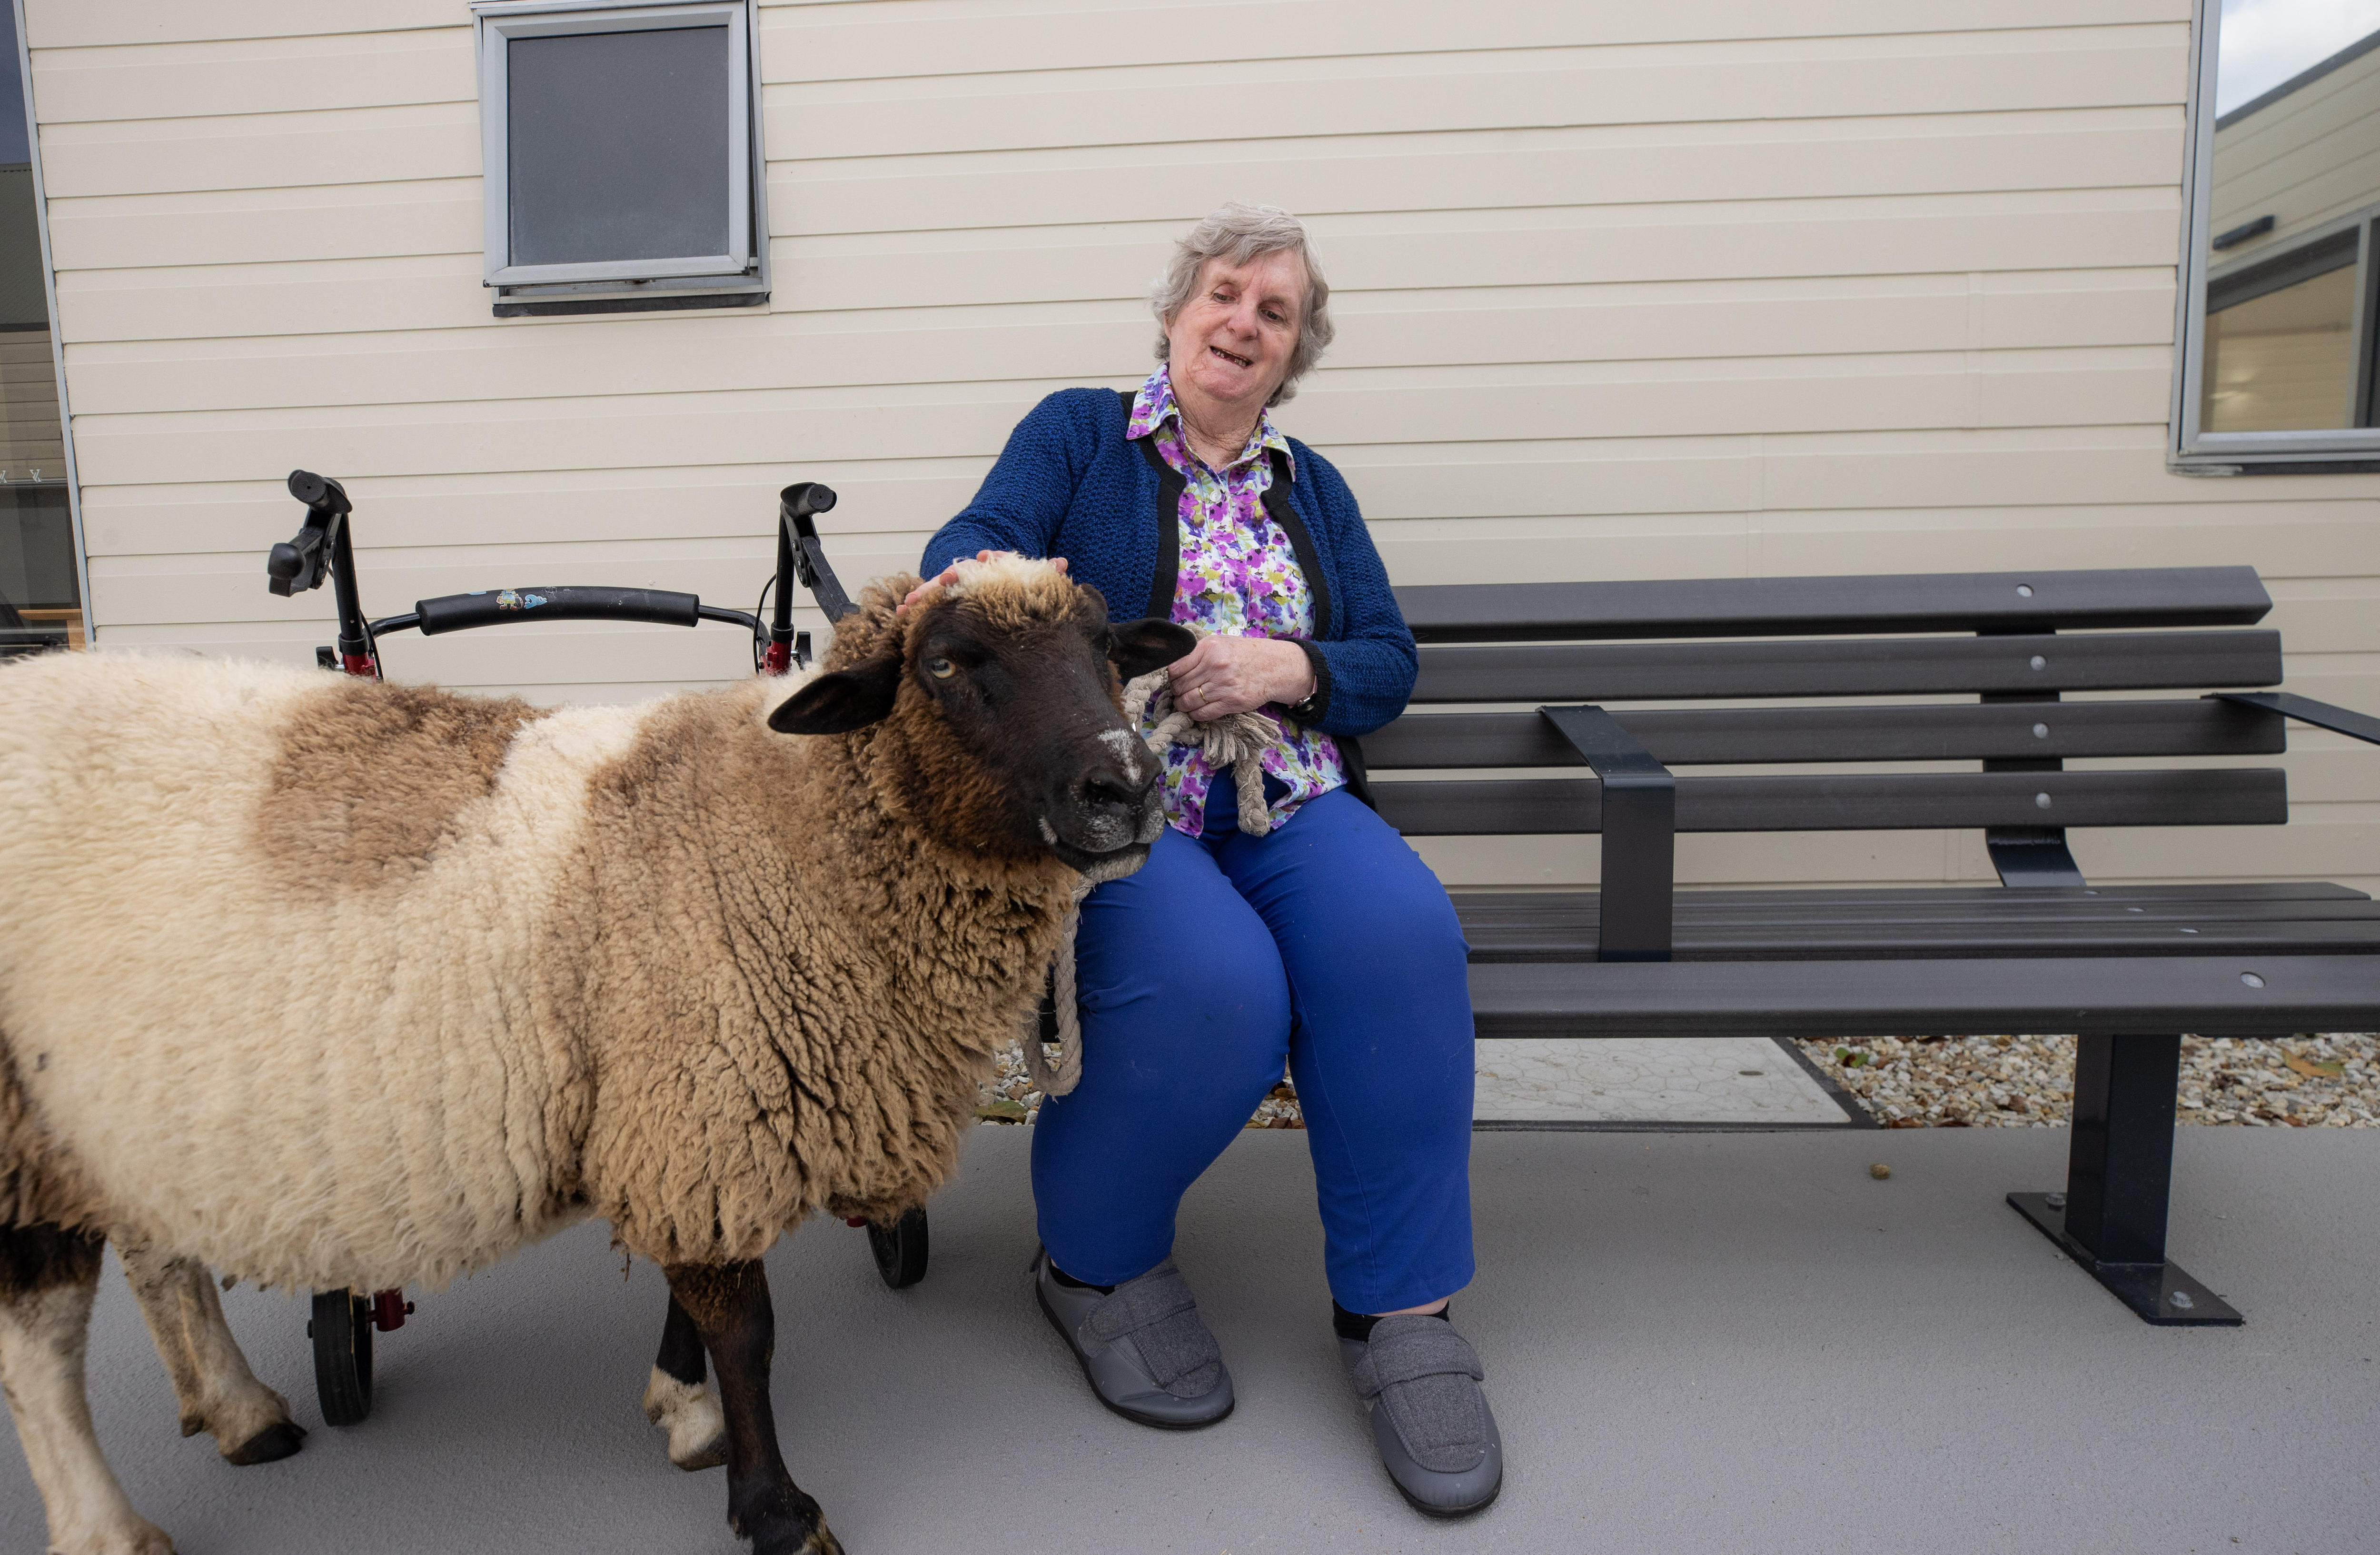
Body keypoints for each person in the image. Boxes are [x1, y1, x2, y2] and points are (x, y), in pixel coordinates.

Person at [915, 202, 1498, 1516]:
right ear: (1176, 314)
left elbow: (1388, 661)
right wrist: (1027, 606)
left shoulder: (1314, 489)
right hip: (1131, 803)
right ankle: (1098, 1264)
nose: (1244, 322)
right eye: (1225, 295)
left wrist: (1290, 665)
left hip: (1285, 793)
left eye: (1274, 311)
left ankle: (1404, 1311)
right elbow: (971, 551)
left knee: (1403, 941)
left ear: (1295, 353)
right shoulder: (1081, 434)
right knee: (1215, 990)